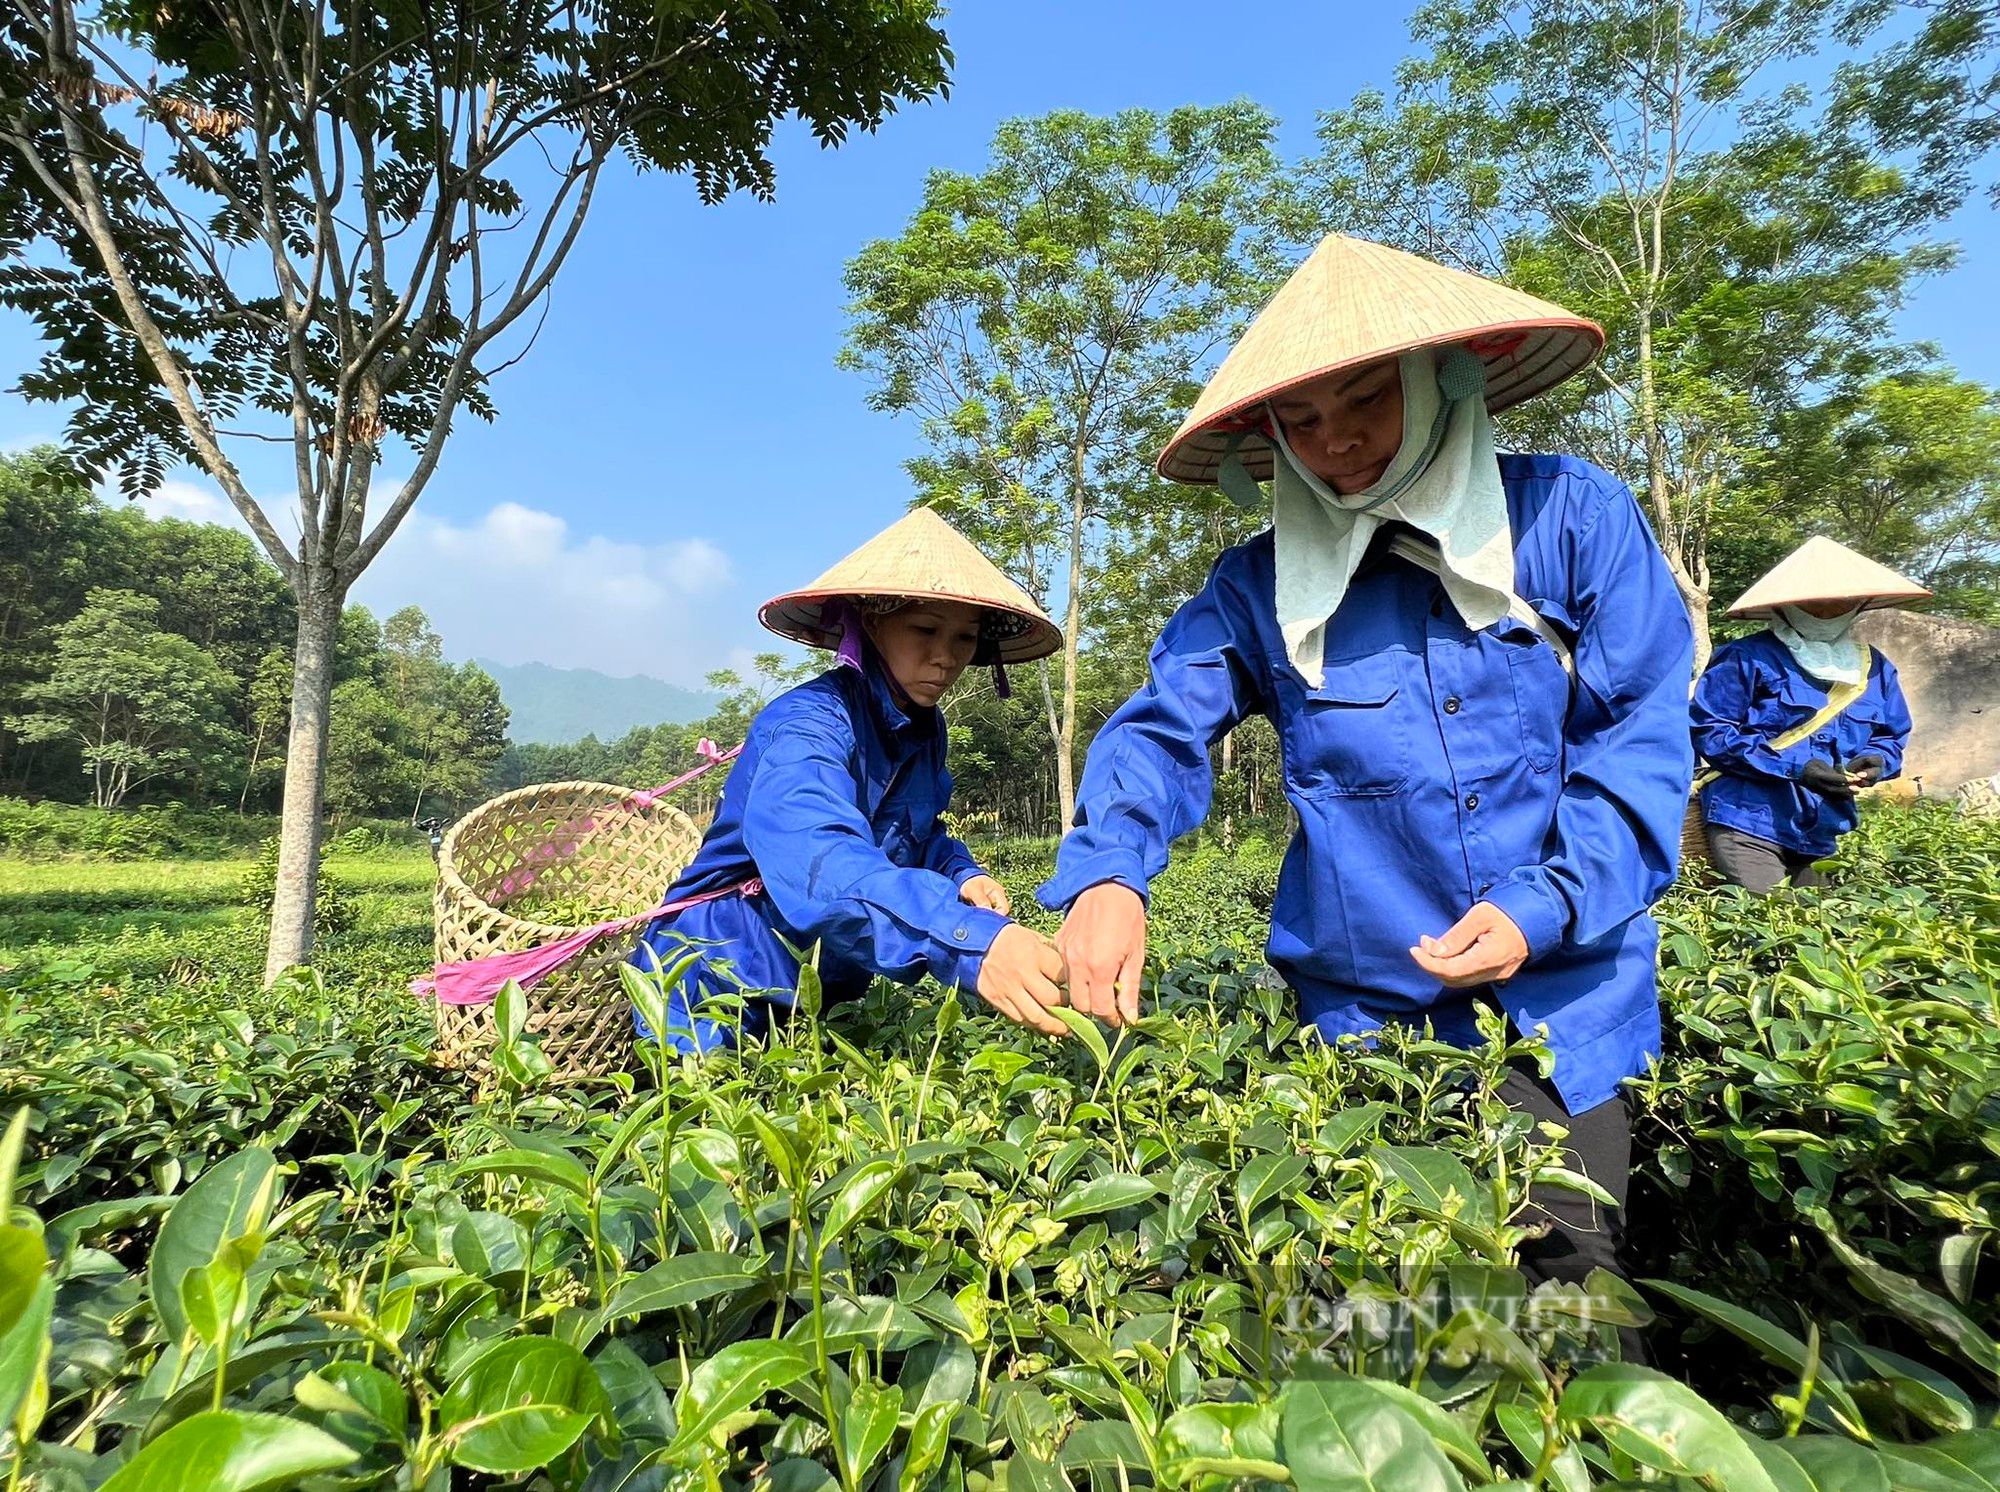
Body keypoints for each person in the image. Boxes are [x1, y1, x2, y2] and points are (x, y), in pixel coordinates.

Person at [1038, 234, 1694, 1293]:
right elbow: (1158, 729)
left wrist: (1543, 906)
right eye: (1298, 422)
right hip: (1367, 1032)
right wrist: (1108, 870)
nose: (1333, 443)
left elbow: (1640, 745)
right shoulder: (1256, 587)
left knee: (1570, 1320)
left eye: (1362, 403)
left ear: (1439, 384)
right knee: (1397, 1331)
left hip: (1560, 1011)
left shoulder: (1569, 520)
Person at [630, 508, 1071, 1051]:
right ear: (872, 622)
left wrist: (960, 873)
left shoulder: (923, 727)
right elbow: (821, 861)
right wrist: (968, 942)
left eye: (965, 638)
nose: (945, 657)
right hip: (714, 982)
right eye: (926, 629)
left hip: (819, 989)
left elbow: (915, 833)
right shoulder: (805, 727)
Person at [1690, 537, 1925, 893]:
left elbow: (1890, 737)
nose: (1828, 609)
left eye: (1841, 602)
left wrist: (1877, 761)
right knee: (1767, 923)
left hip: (1823, 826)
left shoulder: (1874, 668)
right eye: (1815, 603)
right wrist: (1795, 768)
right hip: (1748, 819)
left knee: (1823, 927)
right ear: (1786, 606)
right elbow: (1711, 731)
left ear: (1859, 604)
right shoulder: (1745, 658)